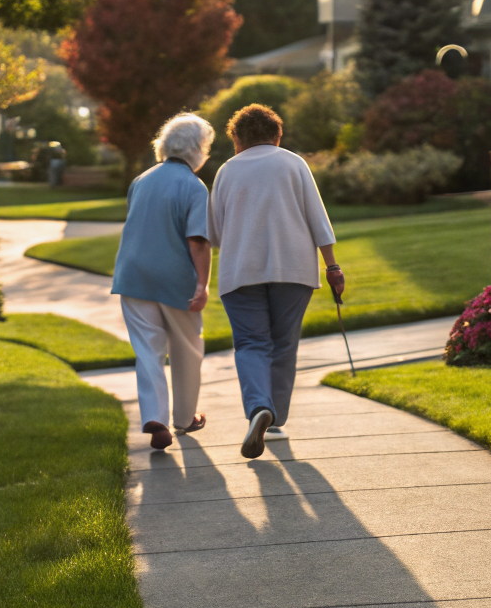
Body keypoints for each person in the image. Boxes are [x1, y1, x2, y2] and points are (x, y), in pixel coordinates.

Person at [209, 103, 344, 459]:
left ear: (236, 139)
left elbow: (215, 232)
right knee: (284, 344)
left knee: (252, 343)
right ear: (277, 135)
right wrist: (332, 267)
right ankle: (276, 419)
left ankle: (258, 408)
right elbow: (318, 220)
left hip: (240, 272)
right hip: (294, 270)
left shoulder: (226, 171)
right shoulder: (293, 163)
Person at [111, 113, 214, 451]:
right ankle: (185, 418)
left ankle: (155, 419)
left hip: (133, 276)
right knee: (187, 349)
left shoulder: (142, 179)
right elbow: (197, 241)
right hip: (174, 280)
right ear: (198, 149)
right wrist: (203, 284)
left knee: (148, 351)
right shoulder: (193, 186)